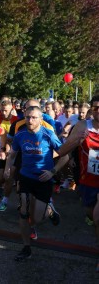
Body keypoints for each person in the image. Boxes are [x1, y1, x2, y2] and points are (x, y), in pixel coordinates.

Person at [4, 106, 69, 261]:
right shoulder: (20, 135)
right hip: (25, 177)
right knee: (23, 211)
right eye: (27, 117)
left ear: (41, 119)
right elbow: (12, 155)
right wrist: (7, 168)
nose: (30, 120)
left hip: (43, 179)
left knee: (37, 218)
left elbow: (64, 156)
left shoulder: (48, 135)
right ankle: (26, 247)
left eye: (33, 117)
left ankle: (51, 211)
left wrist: (52, 172)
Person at [56, 95, 99, 272]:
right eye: (96, 107)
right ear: (91, 110)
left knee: (98, 217)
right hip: (87, 180)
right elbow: (62, 150)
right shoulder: (82, 126)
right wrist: (77, 140)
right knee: (91, 214)